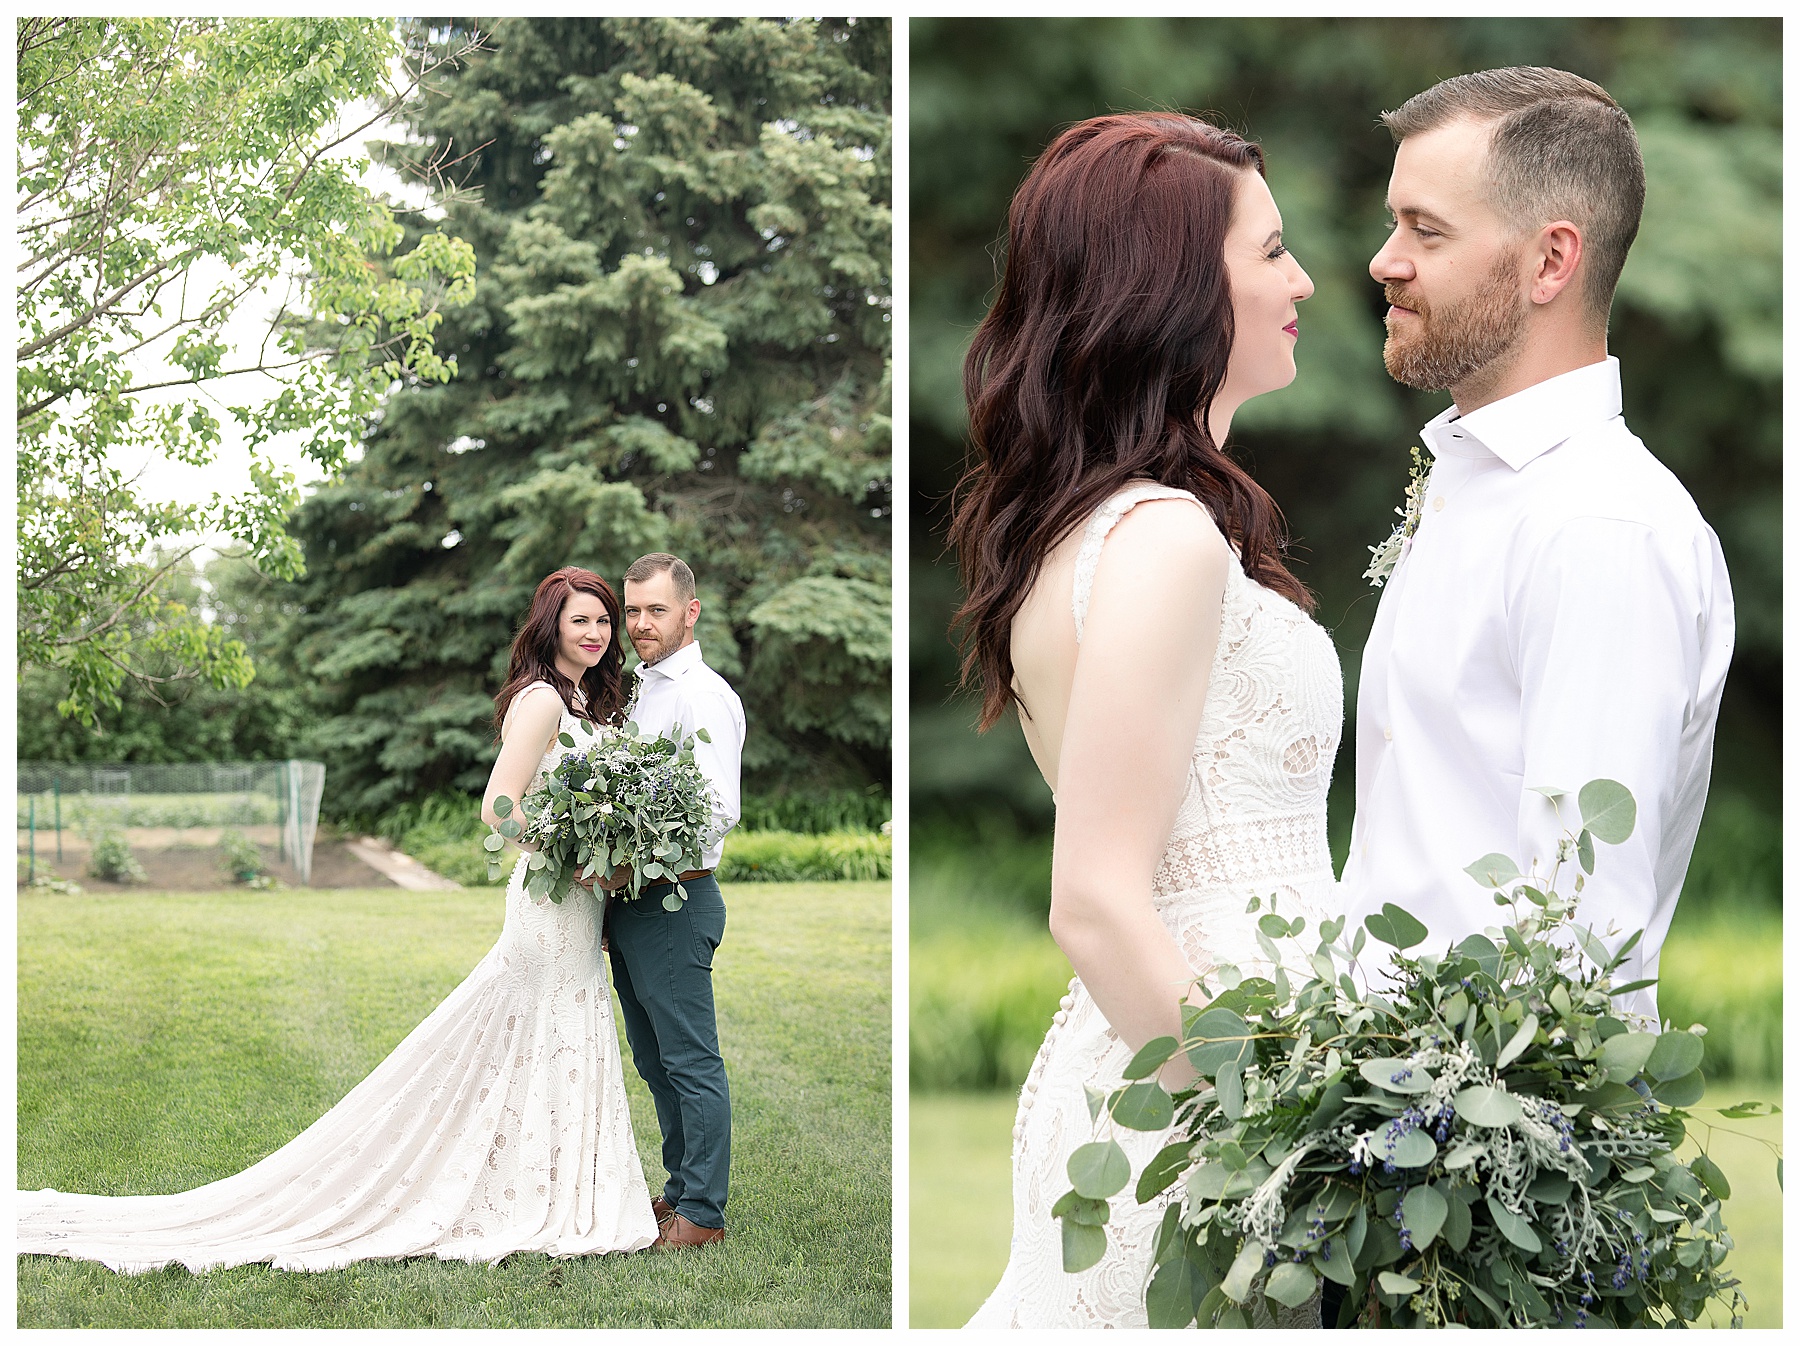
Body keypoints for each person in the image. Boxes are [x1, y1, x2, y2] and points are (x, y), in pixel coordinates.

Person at [951, 113, 1337, 1329]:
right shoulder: (1162, 537)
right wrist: (1289, 1148)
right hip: (1203, 1112)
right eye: (1271, 251)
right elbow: (1098, 898)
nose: (1305, 282)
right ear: (1174, 286)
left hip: (1170, 1076)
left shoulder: (1108, 527)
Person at [18, 566, 661, 1271]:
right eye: (582, 621)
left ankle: (549, 1185)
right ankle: (536, 1194)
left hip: (579, 905)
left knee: (558, 1032)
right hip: (549, 903)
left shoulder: (590, 703)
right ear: (551, 627)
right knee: (545, 1028)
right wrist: (575, 859)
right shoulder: (542, 700)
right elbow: (499, 807)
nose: (597, 633)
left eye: (604, 621)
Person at [1340, 68, 1734, 1025]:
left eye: (1425, 231)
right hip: (1381, 1123)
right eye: (1396, 224)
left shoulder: (1602, 531)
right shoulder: (1475, 488)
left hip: (1481, 1136)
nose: (1384, 262)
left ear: (1551, 261)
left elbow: (1577, 934)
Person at [607, 552, 746, 1251]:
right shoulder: (639, 689)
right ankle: (682, 1186)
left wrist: (636, 862)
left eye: (655, 610)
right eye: (632, 610)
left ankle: (704, 1216)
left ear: (690, 611)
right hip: (632, 904)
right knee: (654, 1060)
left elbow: (718, 809)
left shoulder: (701, 696)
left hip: (676, 900)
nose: (640, 624)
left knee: (690, 1061)